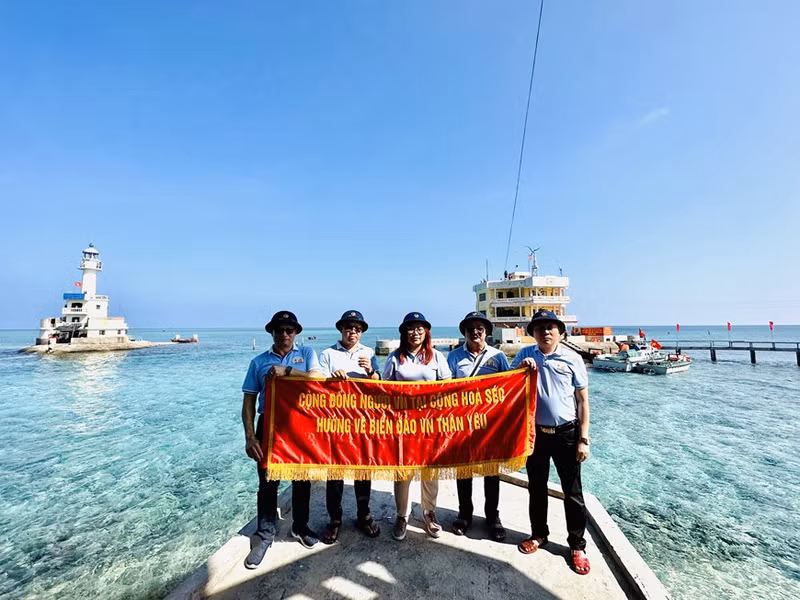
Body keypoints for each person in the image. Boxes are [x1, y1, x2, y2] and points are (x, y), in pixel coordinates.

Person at [241, 310, 324, 569]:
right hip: (269, 424)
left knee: (301, 480)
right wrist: (250, 436)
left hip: (300, 425)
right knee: (267, 481)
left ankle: (300, 526)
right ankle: (265, 534)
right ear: (272, 333)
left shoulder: (307, 354)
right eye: (280, 330)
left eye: (289, 330)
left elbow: (319, 379)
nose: (285, 335)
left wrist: (286, 371)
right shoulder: (257, 362)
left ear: (296, 333)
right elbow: (249, 400)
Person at [511, 309, 591, 575]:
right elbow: (508, 387)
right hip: (535, 433)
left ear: (560, 332)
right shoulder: (525, 354)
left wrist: (583, 438)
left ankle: (577, 545)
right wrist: (521, 369)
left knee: (573, 492)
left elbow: (582, 401)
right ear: (532, 333)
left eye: (551, 327)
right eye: (540, 327)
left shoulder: (573, 358)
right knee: (536, 487)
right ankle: (538, 534)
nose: (546, 331)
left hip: (567, 434)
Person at [383, 312, 452, 541]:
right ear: (404, 332)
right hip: (402, 426)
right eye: (410, 328)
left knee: (429, 471)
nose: (415, 333)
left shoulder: (437, 358)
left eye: (420, 328)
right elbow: (383, 391)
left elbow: (449, 388)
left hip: (430, 425)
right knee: (403, 473)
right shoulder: (394, 358)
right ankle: (402, 515)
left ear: (426, 332)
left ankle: (429, 512)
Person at [318, 310, 381, 543]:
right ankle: (335, 520)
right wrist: (331, 379)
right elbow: (316, 386)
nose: (352, 331)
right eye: (348, 327)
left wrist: (371, 371)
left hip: (362, 420)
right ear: (341, 329)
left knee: (363, 471)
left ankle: (363, 516)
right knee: (334, 474)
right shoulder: (327, 354)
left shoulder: (369, 353)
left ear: (362, 331)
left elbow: (379, 385)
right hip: (336, 420)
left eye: (357, 328)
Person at [446, 311, 511, 541]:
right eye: (471, 328)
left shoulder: (498, 357)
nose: (475, 331)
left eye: (480, 328)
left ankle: (493, 517)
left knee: (491, 473)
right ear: (464, 332)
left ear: (486, 332)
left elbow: (509, 388)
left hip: (490, 427)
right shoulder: (453, 357)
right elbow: (445, 390)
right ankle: (465, 514)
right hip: (462, 425)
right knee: (463, 472)